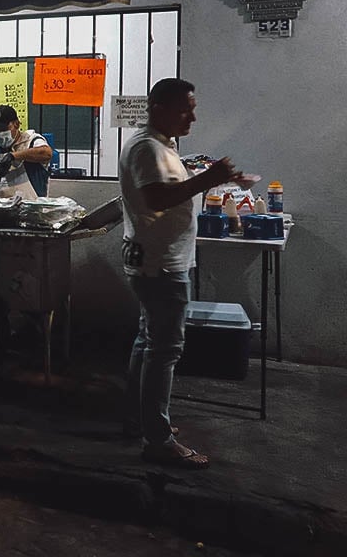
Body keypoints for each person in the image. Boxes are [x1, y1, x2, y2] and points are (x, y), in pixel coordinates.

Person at [119, 78, 254, 469]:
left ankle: (138, 419)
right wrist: (208, 180)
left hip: (156, 260)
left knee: (148, 341)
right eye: (185, 109)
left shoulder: (161, 145)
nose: (193, 116)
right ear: (159, 108)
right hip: (161, 264)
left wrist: (206, 176)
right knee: (165, 351)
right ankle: (156, 440)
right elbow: (156, 198)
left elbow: (164, 189)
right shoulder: (147, 147)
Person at [0, 104, 53, 200]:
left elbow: (46, 153)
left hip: (28, 212)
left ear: (16, 124)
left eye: (4, 129)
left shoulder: (32, 141)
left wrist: (13, 156)